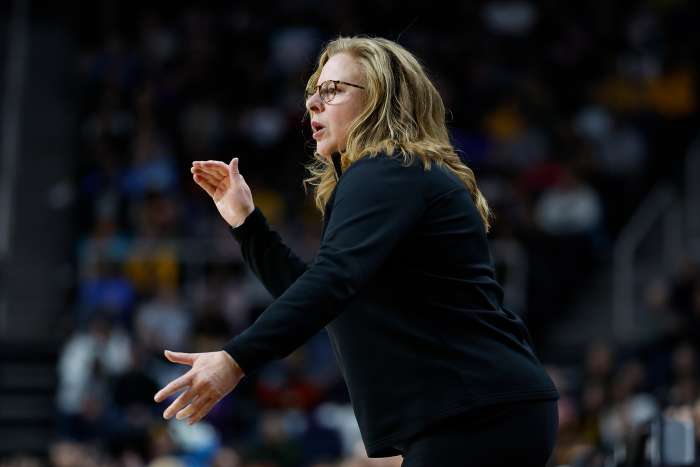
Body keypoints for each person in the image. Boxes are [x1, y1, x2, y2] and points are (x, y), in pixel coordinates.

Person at [154, 36, 560, 466]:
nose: (313, 102)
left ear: (380, 101)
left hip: (479, 413)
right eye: (313, 90)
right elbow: (327, 300)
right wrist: (246, 223)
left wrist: (234, 360)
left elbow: (330, 282)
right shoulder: (391, 178)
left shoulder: (388, 170)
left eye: (333, 90)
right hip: (480, 411)